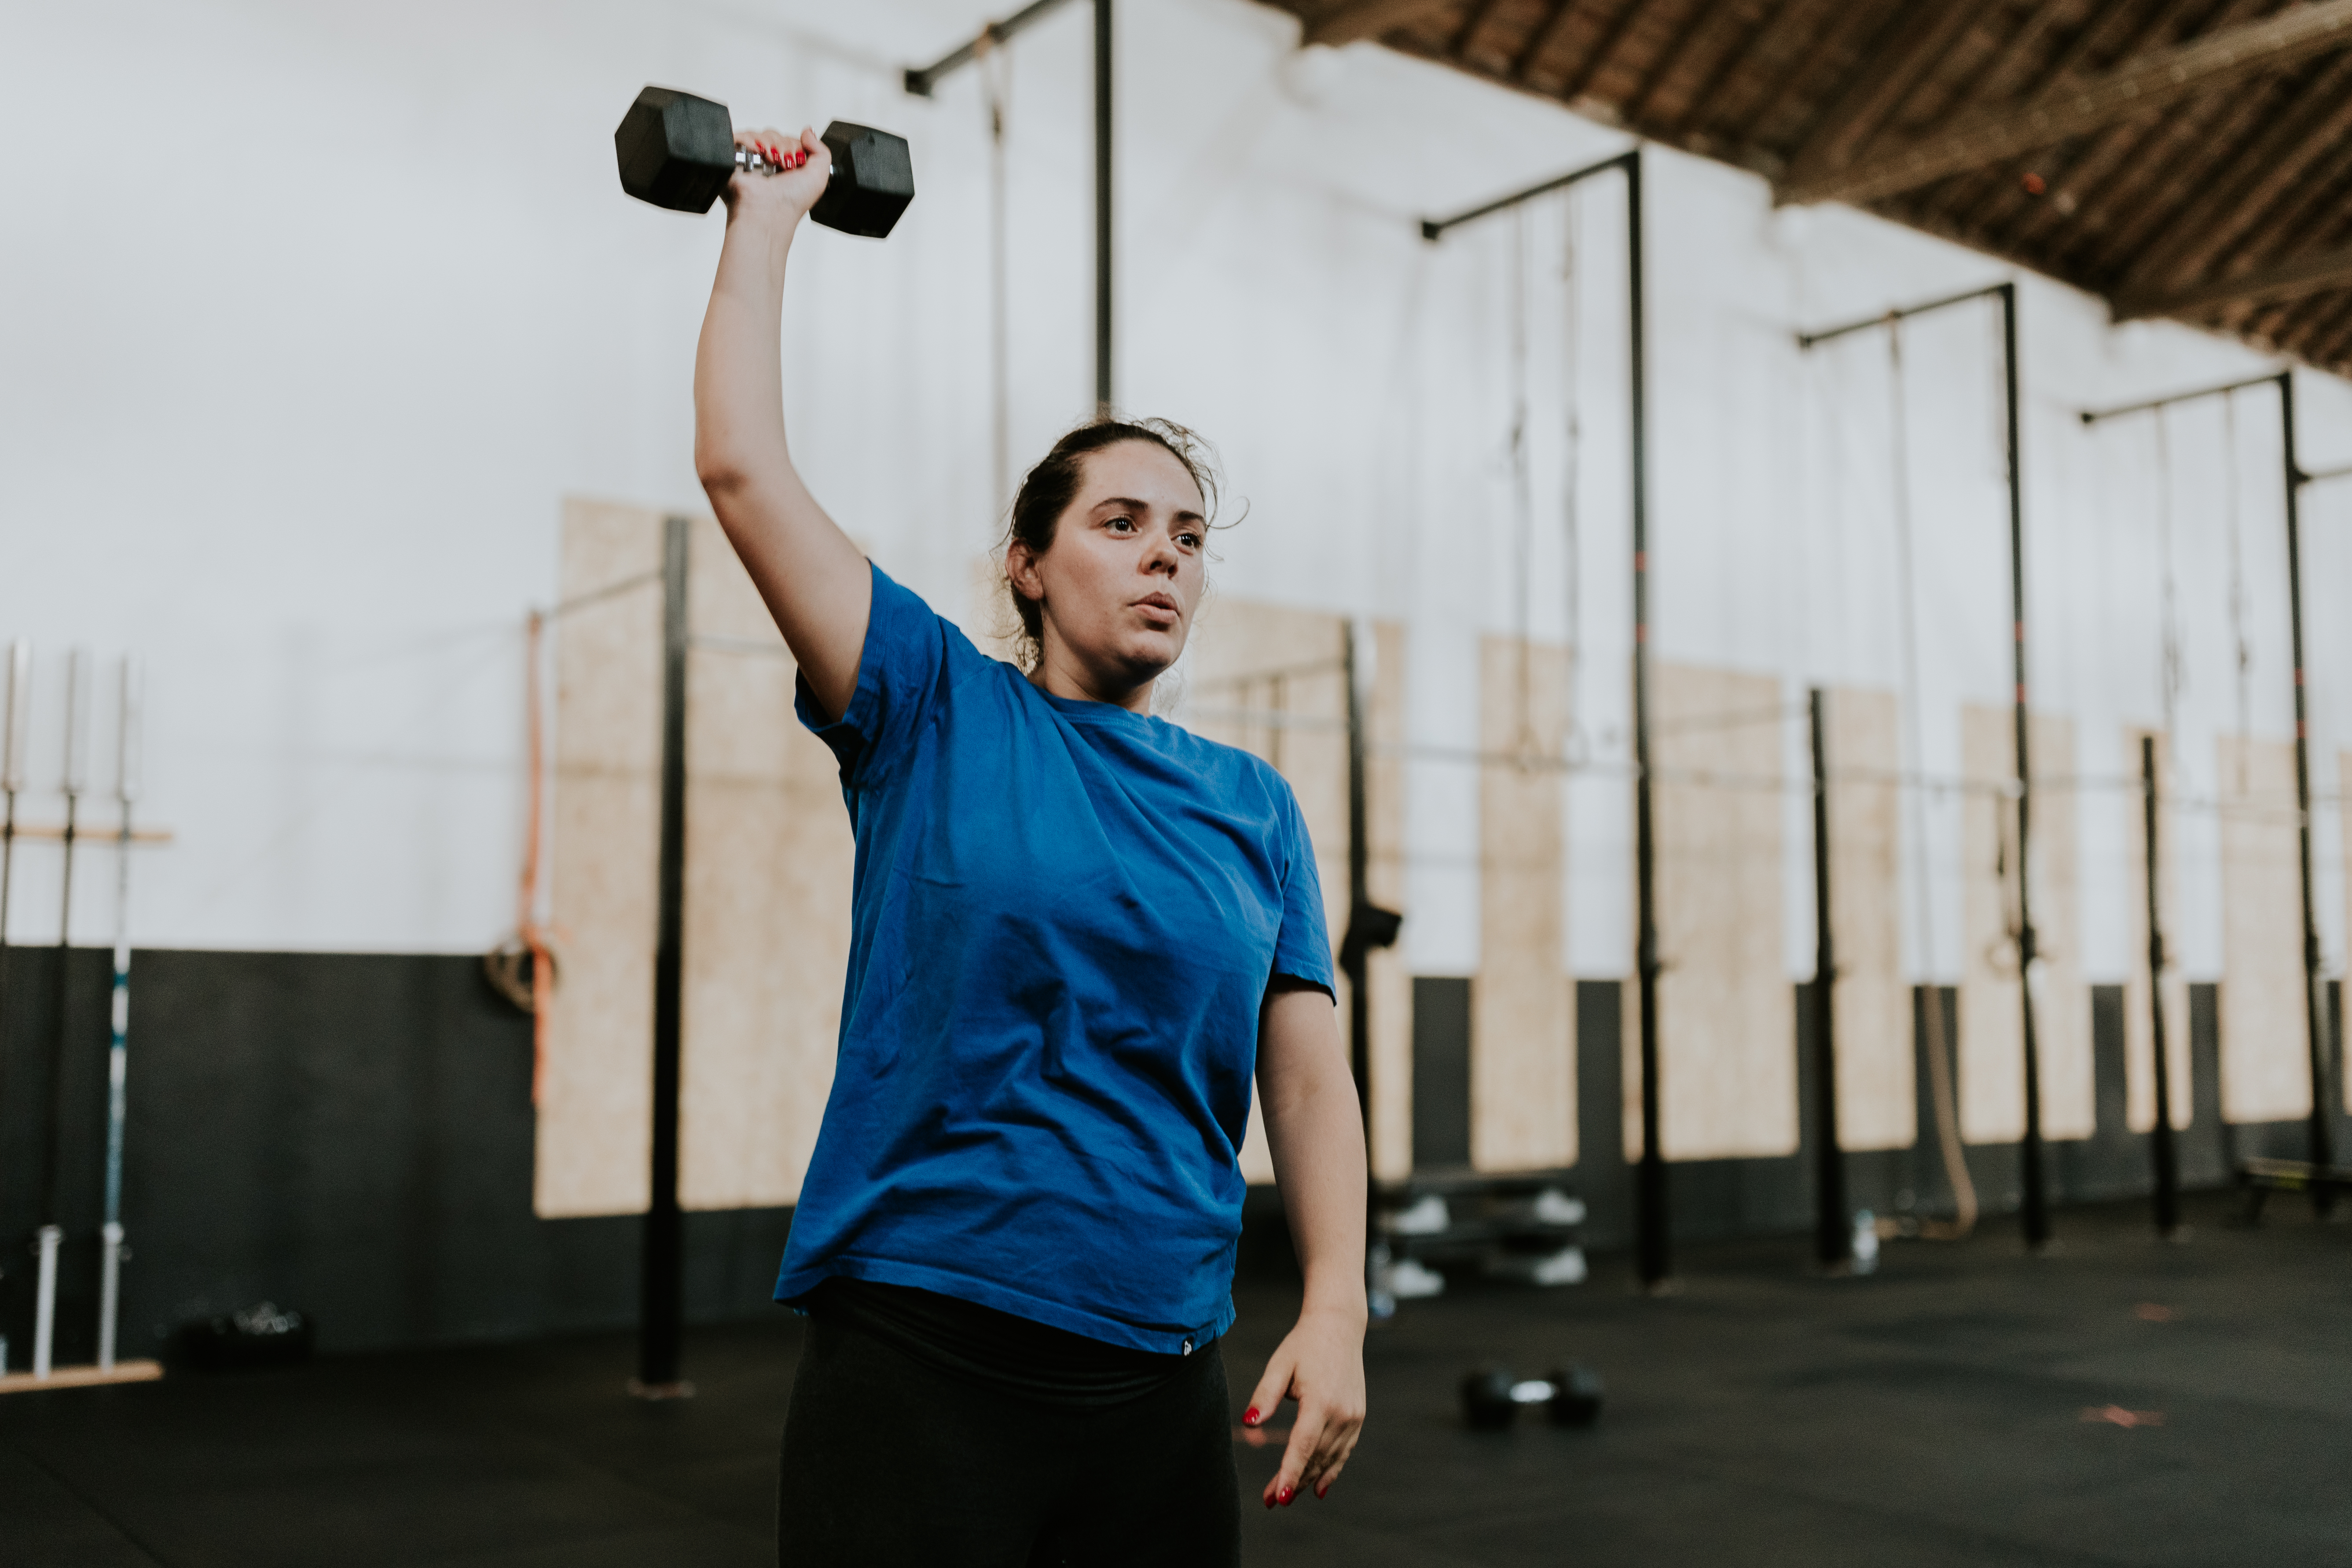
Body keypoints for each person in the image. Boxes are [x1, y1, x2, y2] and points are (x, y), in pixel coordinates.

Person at [693, 125, 1370, 1565]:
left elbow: (1305, 1086)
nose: (1164, 555)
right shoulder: (929, 706)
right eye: (1120, 522)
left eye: (1188, 534)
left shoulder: (1251, 804)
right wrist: (765, 217)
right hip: (922, 1353)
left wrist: (1334, 1302)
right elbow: (744, 471)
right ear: (1029, 561)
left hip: (1160, 1374)